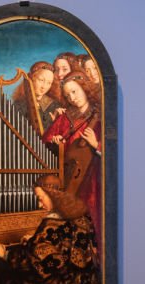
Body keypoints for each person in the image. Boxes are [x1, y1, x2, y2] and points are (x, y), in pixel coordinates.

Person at [43, 71, 102, 233]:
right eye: (68, 95)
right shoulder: (65, 117)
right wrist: (55, 142)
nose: (72, 98)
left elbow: (112, 148)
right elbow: (45, 140)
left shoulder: (100, 115)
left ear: (84, 88)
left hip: (92, 176)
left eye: (74, 91)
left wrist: (96, 144)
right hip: (67, 175)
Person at [11, 60, 61, 133]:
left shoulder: (54, 105)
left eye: (49, 83)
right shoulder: (19, 104)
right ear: (32, 79)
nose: (44, 86)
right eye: (41, 80)